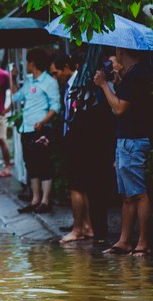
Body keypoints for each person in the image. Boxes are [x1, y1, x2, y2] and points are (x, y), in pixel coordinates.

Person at [94, 48, 152, 256]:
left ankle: (143, 242)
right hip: (126, 139)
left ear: (123, 50)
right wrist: (117, 82)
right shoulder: (132, 75)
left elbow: (119, 108)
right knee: (127, 194)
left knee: (138, 193)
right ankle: (124, 241)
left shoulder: (138, 75)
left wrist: (103, 85)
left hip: (133, 140)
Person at [11, 48, 61, 214]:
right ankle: (35, 200)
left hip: (40, 129)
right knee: (31, 164)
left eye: (27, 62)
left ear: (33, 63)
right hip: (26, 128)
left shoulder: (49, 82)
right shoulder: (29, 81)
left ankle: (45, 201)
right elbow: (16, 97)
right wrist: (12, 78)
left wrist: (44, 121)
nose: (26, 65)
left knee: (44, 164)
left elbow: (56, 105)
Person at [50, 53, 93, 243]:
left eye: (55, 72)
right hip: (75, 139)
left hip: (79, 140)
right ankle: (87, 226)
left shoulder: (78, 86)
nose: (55, 77)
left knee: (75, 186)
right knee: (81, 186)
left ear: (66, 67)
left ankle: (77, 229)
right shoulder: (69, 86)